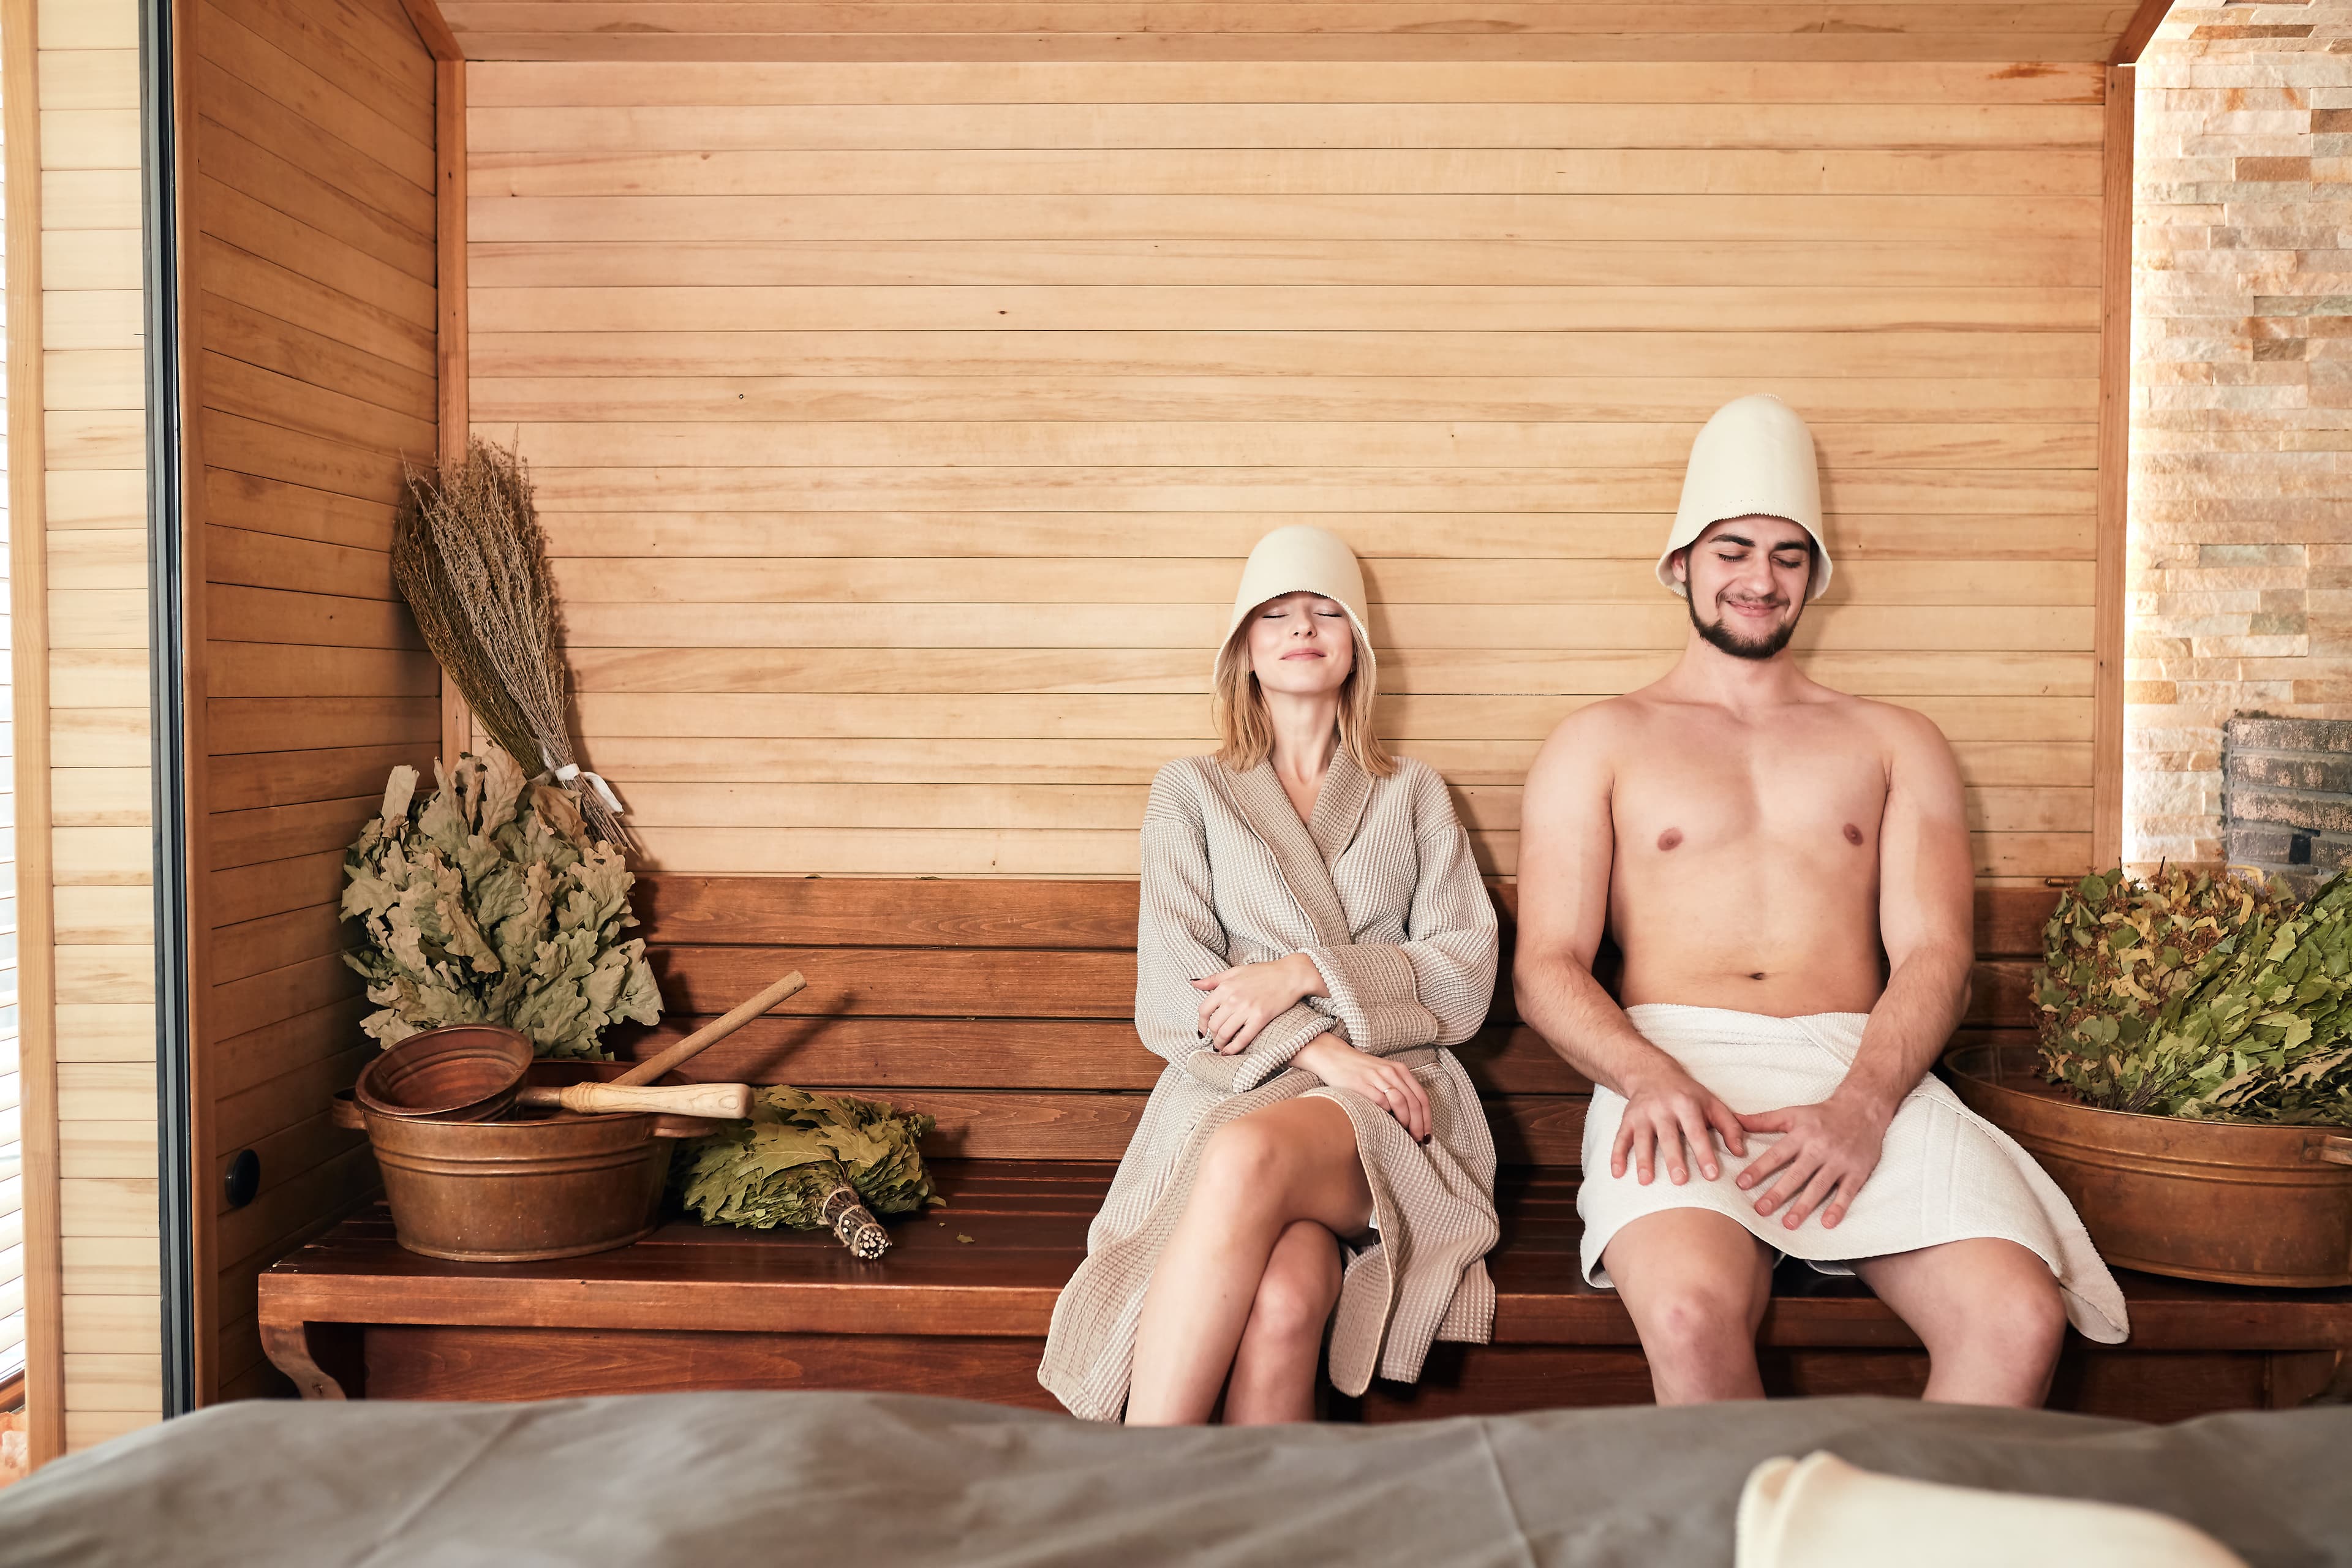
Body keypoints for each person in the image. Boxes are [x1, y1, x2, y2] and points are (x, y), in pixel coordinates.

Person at [1513, 395, 2128, 1408]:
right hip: (1672, 1068)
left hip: (1860, 1067)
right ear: (1682, 566)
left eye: (1789, 556)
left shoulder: (1895, 740)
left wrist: (1863, 1105)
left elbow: (1935, 954)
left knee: (2018, 1315)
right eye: (1734, 551)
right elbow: (1547, 966)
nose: (1761, 579)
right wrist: (1647, 1075)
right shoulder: (1599, 741)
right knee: (1685, 1314)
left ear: (1816, 577)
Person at [1039, 525, 1501, 1425]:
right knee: (1287, 1299)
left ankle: (1131, 1481)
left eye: (1326, 612)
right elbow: (1176, 993)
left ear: (1356, 646)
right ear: (1245, 649)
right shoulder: (1191, 792)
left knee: (1246, 1157)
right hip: (1248, 1089)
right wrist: (1327, 1054)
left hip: (1393, 1104)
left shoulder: (1413, 794)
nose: (1302, 628)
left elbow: (1464, 974)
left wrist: (1299, 972)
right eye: (1277, 615)